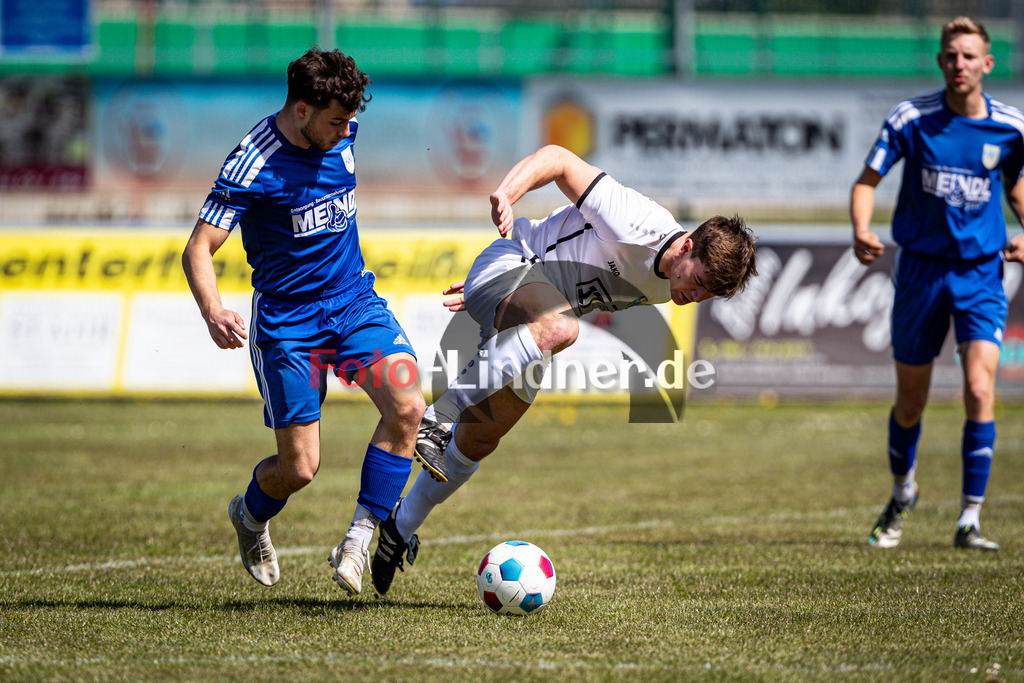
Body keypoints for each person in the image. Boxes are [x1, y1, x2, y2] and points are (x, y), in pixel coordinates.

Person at [368, 144, 758, 595]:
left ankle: (399, 527)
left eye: (709, 294)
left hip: (531, 311)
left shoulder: (672, 280)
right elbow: (559, 159)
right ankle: (437, 417)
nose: (696, 296)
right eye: (700, 281)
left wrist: (504, 303)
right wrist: (506, 195)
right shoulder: (636, 221)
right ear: (687, 245)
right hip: (515, 266)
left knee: (480, 439)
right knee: (561, 328)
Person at [181, 48, 425, 593]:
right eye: (335, 121)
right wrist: (213, 309)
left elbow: (343, 131)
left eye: (348, 121)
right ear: (301, 111)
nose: (345, 132)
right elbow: (198, 247)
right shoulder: (251, 163)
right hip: (288, 323)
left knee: (409, 406)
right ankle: (249, 515)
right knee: (300, 469)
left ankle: (358, 540)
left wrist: (341, 124)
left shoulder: (343, 130)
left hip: (352, 300)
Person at [852, 17, 1024, 552]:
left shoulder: (1011, 128)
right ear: (940, 61)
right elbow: (867, 181)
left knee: (980, 389)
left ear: (987, 64)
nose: (958, 64)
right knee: (911, 402)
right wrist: (861, 228)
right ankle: (903, 492)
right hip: (920, 272)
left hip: (980, 273)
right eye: (950, 55)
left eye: (968, 56)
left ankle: (969, 520)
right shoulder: (911, 118)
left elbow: (1017, 187)